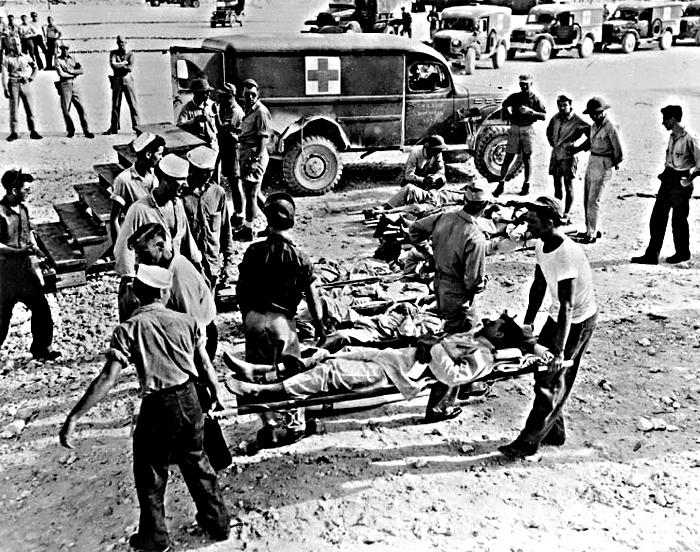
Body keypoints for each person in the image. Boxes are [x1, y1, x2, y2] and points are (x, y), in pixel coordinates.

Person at [59, 264, 230, 552]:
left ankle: (156, 538)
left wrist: (75, 416)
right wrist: (216, 393)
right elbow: (204, 363)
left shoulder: (128, 329)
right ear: (165, 292)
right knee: (198, 462)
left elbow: (107, 378)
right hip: (190, 398)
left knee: (150, 472)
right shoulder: (187, 321)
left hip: (159, 405)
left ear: (137, 294)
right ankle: (218, 523)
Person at [226, 315, 553, 406]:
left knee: (332, 372)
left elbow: (454, 377)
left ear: (500, 336)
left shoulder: (483, 355)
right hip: (395, 357)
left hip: (399, 374)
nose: (494, 320)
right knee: (334, 352)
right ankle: (263, 372)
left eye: (499, 323)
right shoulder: (475, 338)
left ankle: (264, 391)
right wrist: (431, 342)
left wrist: (433, 349)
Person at [499, 196, 597, 459]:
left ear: (550, 222)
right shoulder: (542, 245)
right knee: (543, 372)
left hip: (577, 321)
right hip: (559, 317)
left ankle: (528, 443)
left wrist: (561, 352)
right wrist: (528, 322)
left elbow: (567, 305)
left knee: (551, 377)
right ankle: (554, 430)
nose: (527, 225)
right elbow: (539, 285)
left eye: (532, 221)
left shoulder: (566, 254)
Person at [237, 192, 325, 445]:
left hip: (254, 318)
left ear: (267, 221)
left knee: (259, 374)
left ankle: (269, 425)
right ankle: (294, 425)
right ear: (292, 221)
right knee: (290, 374)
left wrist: (248, 317)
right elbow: (313, 298)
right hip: (282, 322)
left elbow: (240, 290)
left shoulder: (253, 251)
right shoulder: (299, 256)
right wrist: (320, 328)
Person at [408, 184, 492, 421]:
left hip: (440, 284)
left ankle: (466, 383)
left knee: (461, 335)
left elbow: (415, 229)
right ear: (484, 207)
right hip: (458, 292)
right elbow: (473, 281)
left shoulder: (444, 217)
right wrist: (481, 284)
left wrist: (429, 256)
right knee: (459, 342)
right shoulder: (475, 237)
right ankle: (439, 406)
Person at [114, 153, 203, 322]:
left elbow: (186, 240)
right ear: (165, 180)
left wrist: (198, 268)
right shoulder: (139, 209)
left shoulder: (178, 205)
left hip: (172, 279)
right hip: (148, 285)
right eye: (181, 179)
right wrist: (130, 285)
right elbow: (124, 249)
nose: (185, 184)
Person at [128, 223, 219, 361]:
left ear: (160, 246)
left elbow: (195, 325)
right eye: (136, 255)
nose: (138, 261)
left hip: (200, 341)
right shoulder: (160, 269)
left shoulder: (179, 274)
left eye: (143, 254)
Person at [0, 170, 61, 361]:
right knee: (1, 317)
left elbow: (28, 233)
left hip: (25, 270)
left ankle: (42, 348)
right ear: (13, 190)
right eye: (26, 190)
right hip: (4, 273)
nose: (29, 193)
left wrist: (36, 248)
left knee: (42, 309)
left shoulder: (24, 209)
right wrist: (17, 252)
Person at [632, 105, 700, 265]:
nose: (663, 123)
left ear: (673, 119)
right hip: (668, 180)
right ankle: (651, 255)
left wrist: (688, 180)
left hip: (681, 182)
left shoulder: (690, 138)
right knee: (657, 218)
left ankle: (683, 253)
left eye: (665, 119)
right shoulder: (672, 137)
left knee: (679, 220)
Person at [571, 96, 623, 244]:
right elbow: (590, 141)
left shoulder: (610, 127)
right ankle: (589, 229)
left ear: (602, 112)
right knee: (587, 198)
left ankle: (591, 234)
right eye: (592, 114)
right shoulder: (594, 126)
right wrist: (576, 149)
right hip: (592, 161)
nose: (594, 116)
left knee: (594, 201)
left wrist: (611, 165)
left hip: (604, 163)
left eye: (596, 113)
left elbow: (619, 152)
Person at [183, 145, 235, 290]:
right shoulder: (181, 197)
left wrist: (228, 263)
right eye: (203, 173)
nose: (207, 178)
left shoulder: (218, 193)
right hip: (189, 267)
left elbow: (226, 230)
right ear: (191, 170)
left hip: (212, 266)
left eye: (210, 173)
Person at [232, 78, 272, 242]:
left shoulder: (261, 111)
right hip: (247, 152)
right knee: (255, 194)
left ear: (258, 94)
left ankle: (248, 230)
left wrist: (255, 159)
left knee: (251, 195)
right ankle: (273, 222)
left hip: (255, 154)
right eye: (247, 94)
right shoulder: (248, 110)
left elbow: (263, 138)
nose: (249, 97)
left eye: (253, 94)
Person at [494, 74, 546, 198]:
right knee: (508, 157)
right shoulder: (515, 97)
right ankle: (501, 184)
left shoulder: (535, 99)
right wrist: (510, 116)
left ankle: (526, 184)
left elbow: (543, 115)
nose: (523, 86)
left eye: (526, 84)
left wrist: (531, 112)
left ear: (531, 84)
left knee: (527, 158)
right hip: (515, 128)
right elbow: (504, 105)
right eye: (521, 84)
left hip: (527, 129)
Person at [109, 132, 165, 243]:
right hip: (136, 241)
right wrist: (120, 248)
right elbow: (115, 219)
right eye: (159, 154)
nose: (161, 158)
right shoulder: (124, 180)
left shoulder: (156, 176)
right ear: (148, 154)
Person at [545, 95, 590, 224]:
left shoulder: (577, 120)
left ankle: (567, 214)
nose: (562, 107)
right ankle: (557, 210)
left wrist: (578, 148)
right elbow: (548, 131)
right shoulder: (555, 118)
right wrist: (552, 143)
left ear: (570, 105)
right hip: (556, 155)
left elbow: (592, 134)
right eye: (560, 105)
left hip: (569, 157)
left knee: (568, 186)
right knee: (557, 186)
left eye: (565, 105)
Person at [215, 83, 247, 228]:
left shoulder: (235, 111)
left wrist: (215, 114)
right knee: (231, 180)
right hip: (226, 148)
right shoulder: (226, 107)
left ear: (230, 96)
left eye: (223, 95)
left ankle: (240, 214)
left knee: (235, 182)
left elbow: (222, 129)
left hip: (233, 150)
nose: (220, 98)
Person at [1, 36, 41, 141]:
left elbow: (35, 67)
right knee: (14, 109)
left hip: (25, 83)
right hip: (13, 84)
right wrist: (5, 88)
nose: (17, 47)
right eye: (14, 45)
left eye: (18, 44)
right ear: (10, 46)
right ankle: (14, 132)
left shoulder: (26, 57)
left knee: (30, 108)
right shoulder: (7, 59)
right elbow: (4, 74)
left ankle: (33, 131)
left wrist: (31, 78)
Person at [54, 41, 94, 139]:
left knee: (81, 107)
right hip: (64, 84)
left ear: (68, 49)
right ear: (60, 49)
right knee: (66, 109)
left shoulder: (73, 59)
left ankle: (86, 130)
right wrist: (73, 74)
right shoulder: (58, 60)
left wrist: (72, 71)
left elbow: (81, 70)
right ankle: (70, 129)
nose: (65, 50)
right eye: (62, 48)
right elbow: (61, 74)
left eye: (66, 48)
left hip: (75, 84)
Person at [104, 36, 140, 135]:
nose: (121, 44)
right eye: (119, 42)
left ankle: (138, 127)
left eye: (123, 42)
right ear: (117, 43)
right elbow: (113, 65)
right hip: (117, 80)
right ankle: (114, 127)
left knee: (133, 104)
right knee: (115, 105)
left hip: (128, 80)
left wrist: (119, 65)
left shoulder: (131, 54)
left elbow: (130, 68)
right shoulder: (113, 53)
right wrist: (124, 63)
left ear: (126, 42)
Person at [177, 77, 218, 150]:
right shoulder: (187, 108)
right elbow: (179, 126)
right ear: (196, 93)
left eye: (208, 91)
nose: (208, 94)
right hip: (198, 147)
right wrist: (194, 120)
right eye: (205, 92)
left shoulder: (212, 105)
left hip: (213, 144)